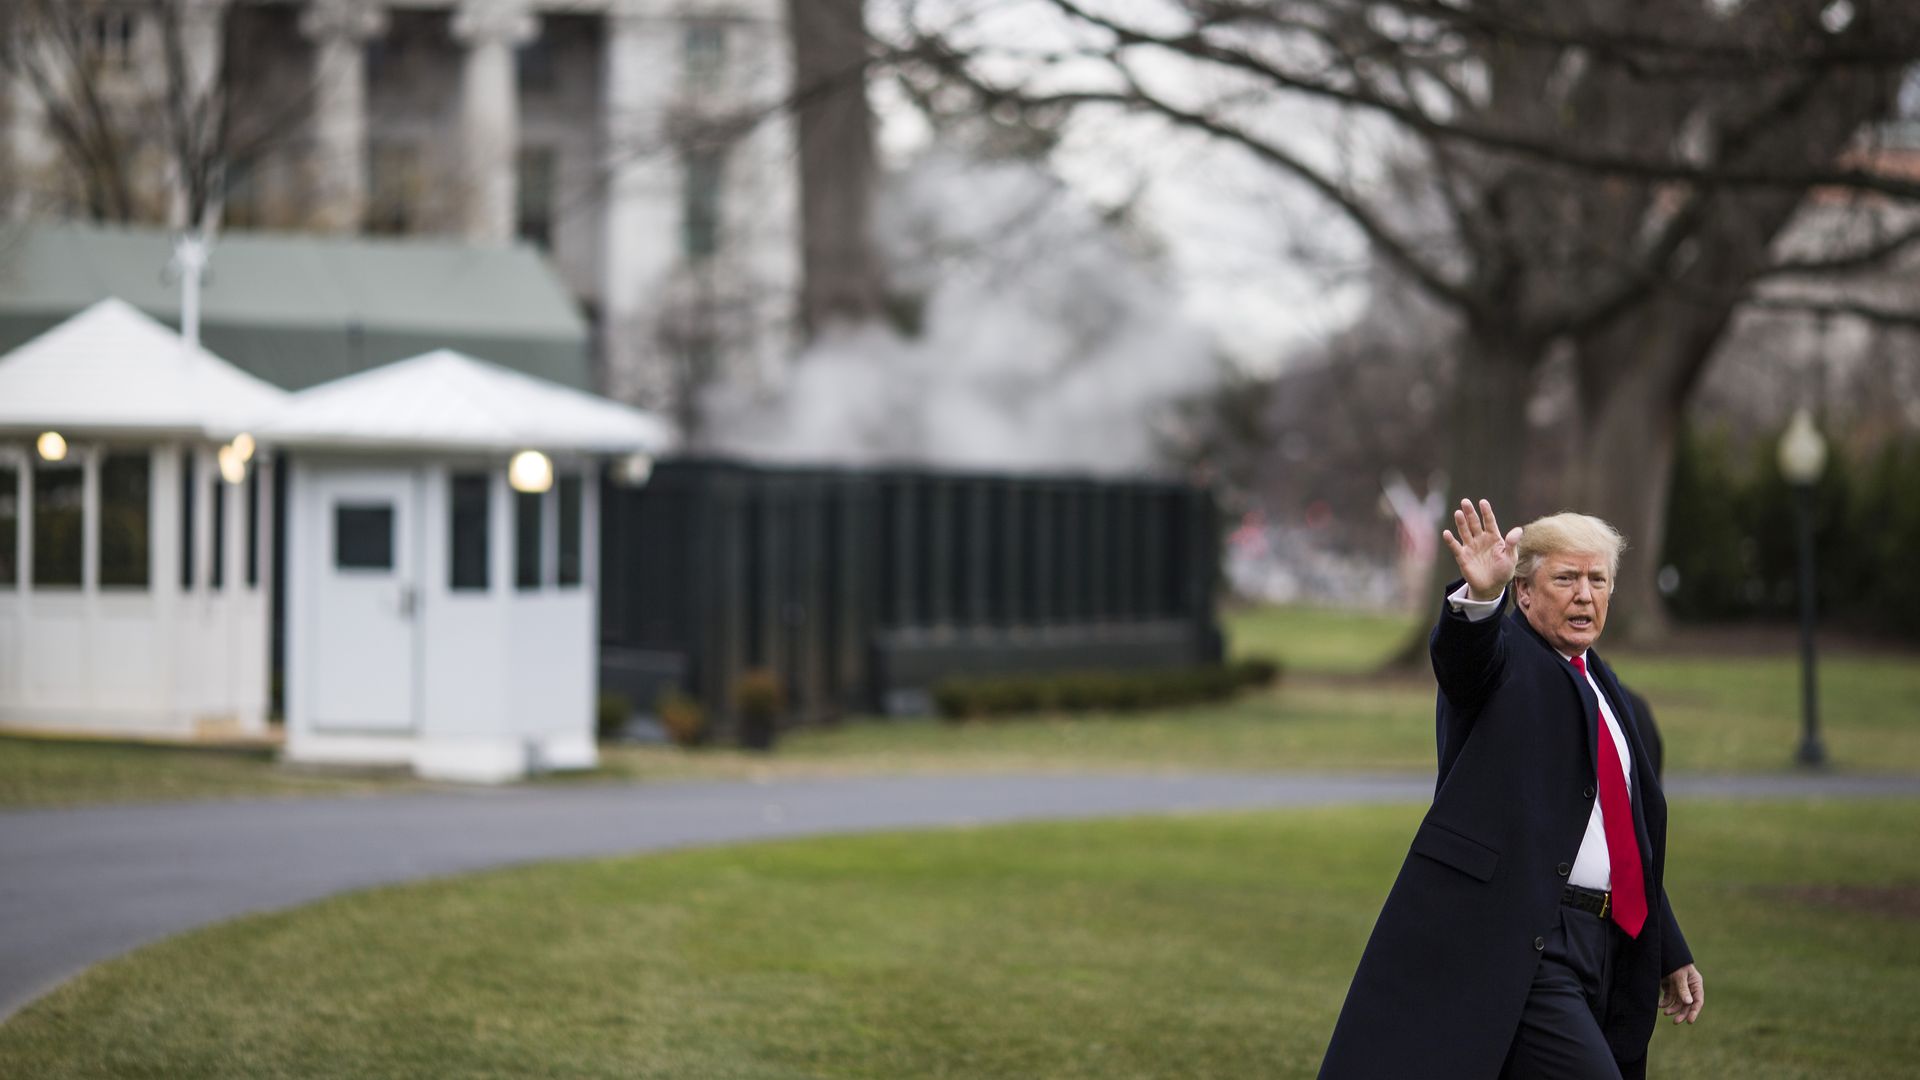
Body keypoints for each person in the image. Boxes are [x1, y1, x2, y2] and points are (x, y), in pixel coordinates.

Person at [1318, 500, 1704, 1080]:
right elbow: (1464, 661)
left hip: (1604, 944)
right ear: (1524, 593)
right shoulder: (1506, 659)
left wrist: (1668, 949)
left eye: (1597, 579)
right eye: (1565, 578)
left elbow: (1621, 835)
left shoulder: (1605, 686)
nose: (1584, 594)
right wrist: (1478, 600)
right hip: (1523, 939)